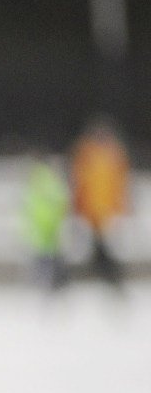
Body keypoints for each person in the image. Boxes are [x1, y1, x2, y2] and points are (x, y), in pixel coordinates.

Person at [70, 118, 130, 286]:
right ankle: (104, 275)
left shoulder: (114, 155)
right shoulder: (86, 155)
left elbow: (120, 184)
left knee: (107, 246)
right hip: (92, 211)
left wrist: (121, 207)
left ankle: (110, 276)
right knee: (97, 245)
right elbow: (80, 183)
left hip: (108, 211)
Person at [19, 154, 69, 292]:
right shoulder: (51, 180)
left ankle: (45, 283)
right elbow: (61, 201)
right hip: (49, 225)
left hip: (40, 225)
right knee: (49, 256)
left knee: (43, 257)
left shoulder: (36, 180)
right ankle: (53, 283)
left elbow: (28, 204)